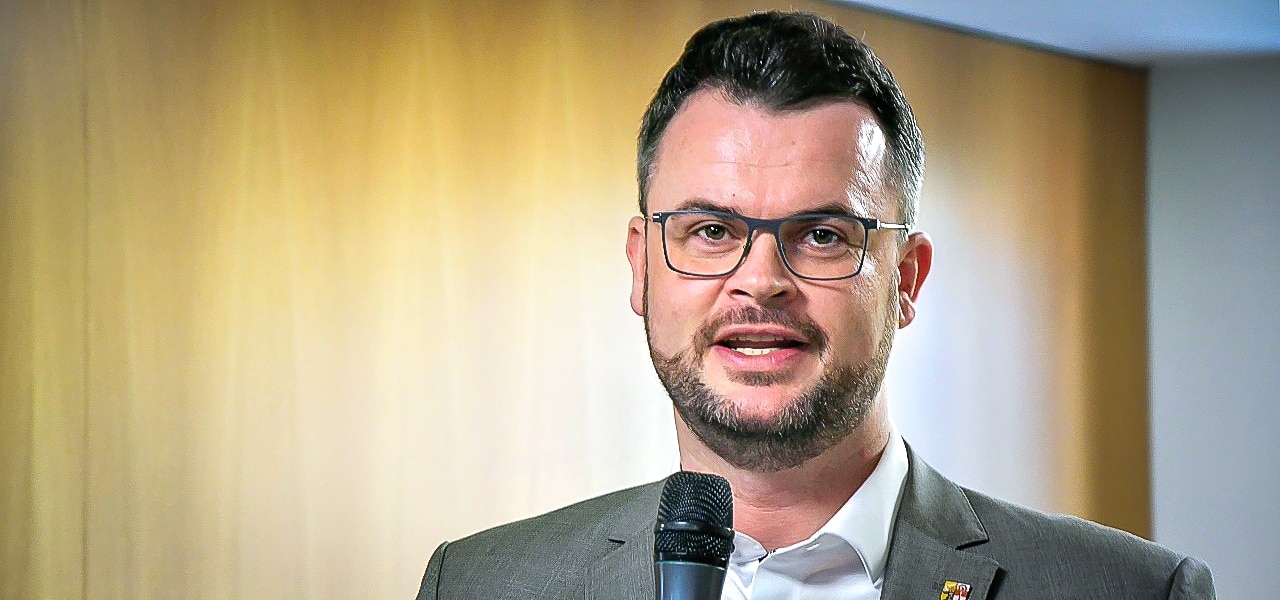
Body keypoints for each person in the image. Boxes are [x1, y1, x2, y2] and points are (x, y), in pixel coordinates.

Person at [416, 11, 1215, 600]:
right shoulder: (482, 584)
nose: (760, 280)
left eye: (823, 235)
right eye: (710, 230)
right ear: (642, 267)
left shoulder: (1130, 592)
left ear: (906, 279)